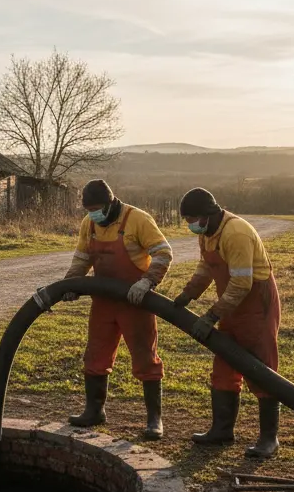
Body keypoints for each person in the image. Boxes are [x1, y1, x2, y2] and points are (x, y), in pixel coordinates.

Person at [173, 187, 281, 458]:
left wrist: (211, 316)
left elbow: (243, 283)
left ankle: (269, 439)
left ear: (207, 214)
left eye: (192, 219)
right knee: (224, 366)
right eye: (187, 220)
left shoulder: (236, 233)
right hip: (231, 305)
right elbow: (207, 267)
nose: (190, 225)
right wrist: (189, 293)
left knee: (261, 368)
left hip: (257, 303)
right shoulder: (209, 233)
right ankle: (222, 431)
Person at [63, 179, 173, 439]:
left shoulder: (138, 220)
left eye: (97, 208)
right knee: (95, 356)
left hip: (135, 301)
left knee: (146, 358)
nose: (93, 214)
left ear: (111, 203)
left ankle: (154, 420)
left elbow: (163, 253)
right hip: (103, 302)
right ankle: (94, 411)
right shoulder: (89, 224)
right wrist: (69, 284)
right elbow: (81, 258)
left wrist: (147, 281)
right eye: (89, 209)